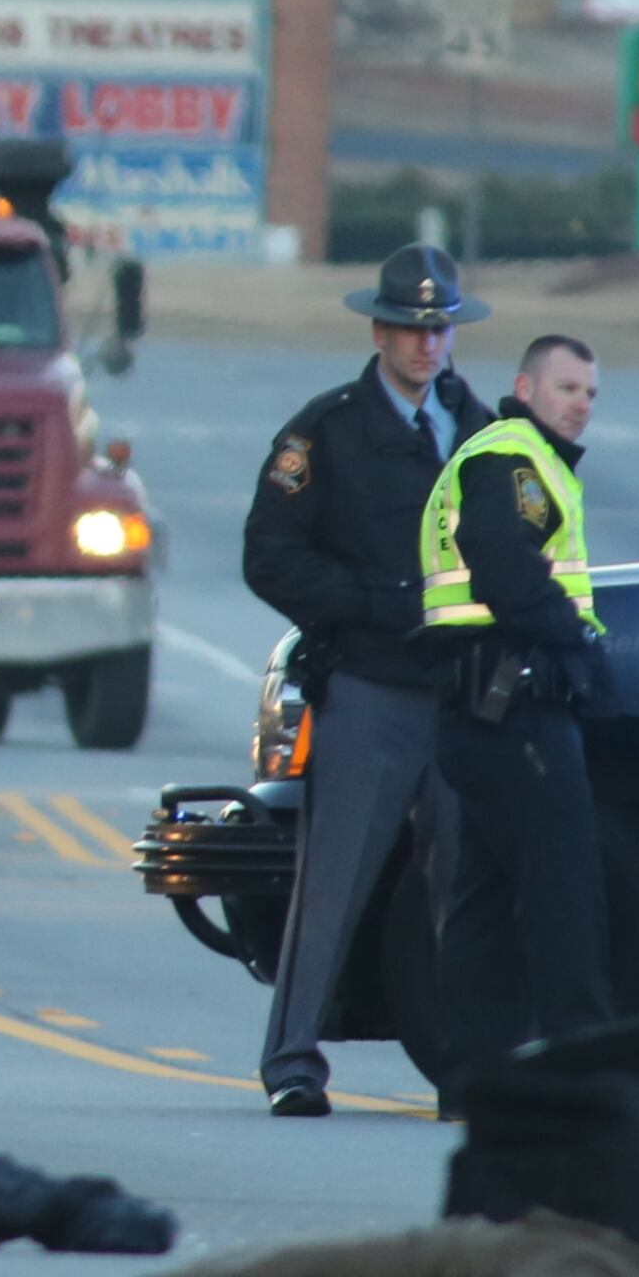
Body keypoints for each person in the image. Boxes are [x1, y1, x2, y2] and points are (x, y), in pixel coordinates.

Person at [239, 241, 496, 1117]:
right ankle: (293, 1065)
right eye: (414, 329)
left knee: (463, 890)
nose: (429, 346)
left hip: (460, 696)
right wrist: (371, 602)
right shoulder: (330, 431)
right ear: (381, 331)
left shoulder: (482, 427)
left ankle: (464, 1066)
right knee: (334, 884)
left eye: (441, 329)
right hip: (371, 690)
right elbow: (269, 557)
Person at [419, 331, 614, 1096]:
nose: (581, 406)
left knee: (483, 901)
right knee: (566, 894)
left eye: (591, 394)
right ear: (526, 389)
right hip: (519, 709)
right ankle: (585, 1073)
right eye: (567, 389)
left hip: (476, 714)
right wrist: (578, 645)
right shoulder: (514, 459)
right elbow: (503, 564)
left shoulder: (498, 455)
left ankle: (472, 1083)